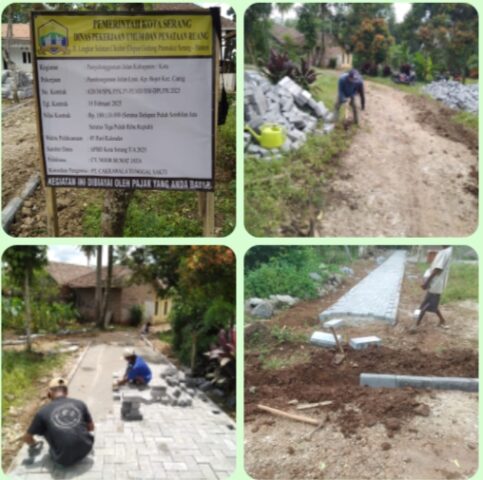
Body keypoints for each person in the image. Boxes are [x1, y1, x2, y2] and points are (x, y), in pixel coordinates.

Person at [24, 378, 94, 467]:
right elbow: (91, 428)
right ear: (66, 392)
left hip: (63, 459)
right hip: (86, 449)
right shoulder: (80, 403)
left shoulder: (43, 411)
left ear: (49, 392)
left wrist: (34, 444)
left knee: (46, 427)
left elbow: (27, 438)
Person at [414, 246, 453, 329]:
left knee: (424, 305)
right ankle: (442, 320)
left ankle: (416, 325)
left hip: (435, 285)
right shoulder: (447, 251)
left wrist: (426, 282)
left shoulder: (444, 253)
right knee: (433, 304)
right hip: (436, 285)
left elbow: (437, 269)